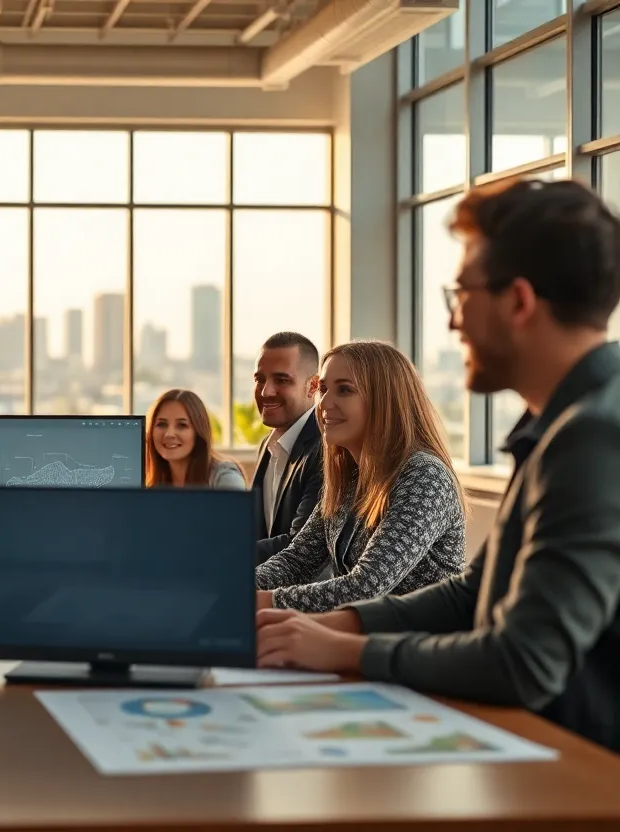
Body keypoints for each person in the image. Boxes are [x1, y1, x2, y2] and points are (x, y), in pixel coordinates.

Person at [256, 178, 620, 752]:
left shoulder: (595, 437)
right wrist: (332, 626)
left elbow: (523, 661)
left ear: (519, 302)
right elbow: (473, 594)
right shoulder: (562, 425)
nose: (453, 324)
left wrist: (348, 651)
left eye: (461, 296)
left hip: (580, 770)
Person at [255, 340, 465, 613]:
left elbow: (366, 586)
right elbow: (297, 561)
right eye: (324, 389)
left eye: (345, 390)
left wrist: (264, 601)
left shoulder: (424, 475)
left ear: (384, 400)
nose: (324, 403)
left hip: (421, 648)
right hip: (368, 640)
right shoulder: (350, 480)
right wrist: (233, 585)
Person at [251, 332, 323, 565]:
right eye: (260, 379)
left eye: (281, 380)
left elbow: (298, 545)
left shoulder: (326, 449)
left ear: (312, 386)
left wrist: (220, 551)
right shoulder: (268, 444)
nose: (265, 392)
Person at [145, 389, 245, 489]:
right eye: (162, 424)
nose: (169, 434)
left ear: (198, 431)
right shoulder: (152, 481)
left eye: (182, 425)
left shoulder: (225, 478)